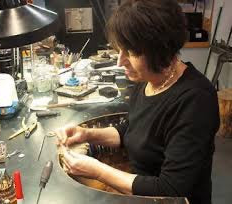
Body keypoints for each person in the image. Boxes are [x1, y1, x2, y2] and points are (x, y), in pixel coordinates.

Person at [56, 0, 220, 204]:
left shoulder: (196, 100)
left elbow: (172, 189)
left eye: (131, 53)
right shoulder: (148, 80)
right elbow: (132, 129)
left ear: (161, 50)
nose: (119, 61)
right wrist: (88, 134)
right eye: (119, 49)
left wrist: (98, 171)